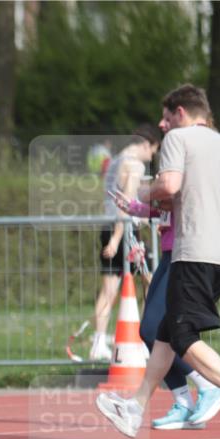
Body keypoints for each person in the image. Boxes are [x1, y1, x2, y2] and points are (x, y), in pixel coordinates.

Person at [97, 85, 220, 437]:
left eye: (167, 117)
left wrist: (142, 193)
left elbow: (168, 185)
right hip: (217, 255)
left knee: (181, 333)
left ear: (181, 113)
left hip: (194, 250)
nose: (161, 125)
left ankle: (208, 389)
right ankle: (134, 407)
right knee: (166, 332)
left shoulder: (179, 141)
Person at [85, 125, 161, 362]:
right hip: (125, 231)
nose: (152, 157)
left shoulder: (116, 161)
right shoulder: (135, 164)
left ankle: (98, 343)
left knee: (109, 289)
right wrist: (119, 239)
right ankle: (150, 341)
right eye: (154, 151)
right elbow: (126, 204)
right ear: (147, 144)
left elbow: (117, 199)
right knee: (153, 279)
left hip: (108, 227)